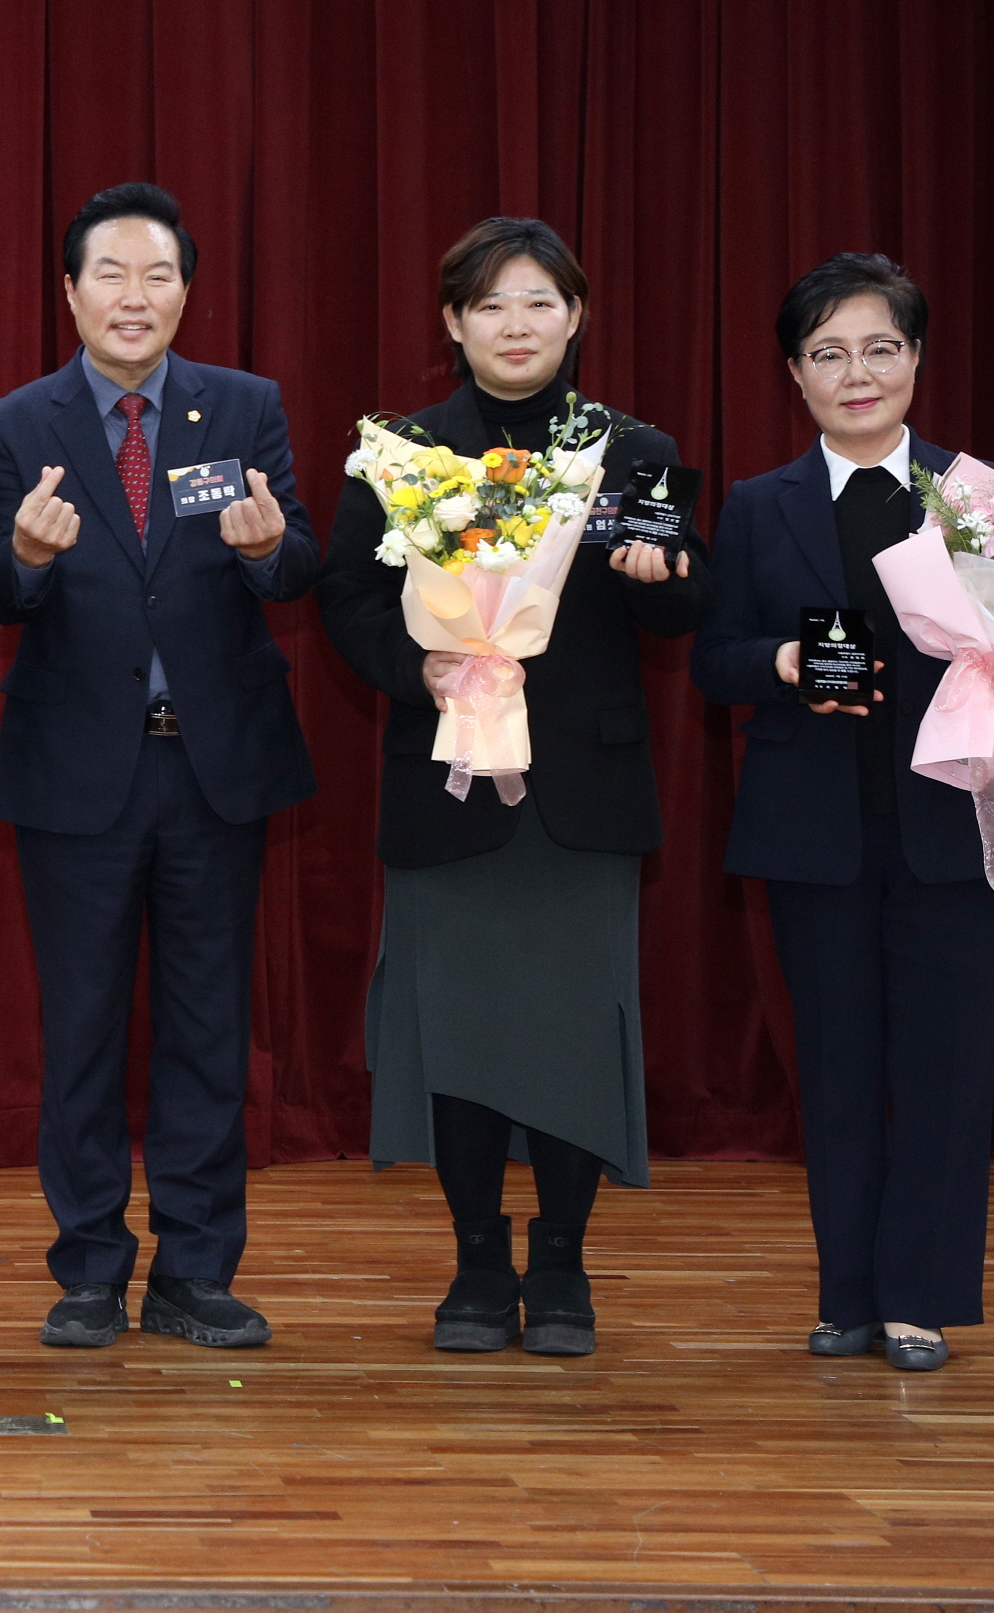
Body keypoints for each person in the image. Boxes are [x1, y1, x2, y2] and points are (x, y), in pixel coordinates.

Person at [315, 218, 708, 1357]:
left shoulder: (633, 449)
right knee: (466, 1034)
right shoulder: (400, 450)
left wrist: (659, 571)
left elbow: (684, 605)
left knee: (575, 1032)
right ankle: (479, 1259)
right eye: (492, 304)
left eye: (539, 301)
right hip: (446, 779)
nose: (517, 324)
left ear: (575, 314)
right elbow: (343, 597)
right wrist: (418, 662)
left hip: (578, 789)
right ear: (454, 322)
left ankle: (565, 1260)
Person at [690, 254, 994, 1373]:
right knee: (840, 1067)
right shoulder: (763, 505)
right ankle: (847, 1291)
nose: (857, 373)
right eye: (829, 353)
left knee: (946, 1070)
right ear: (795, 374)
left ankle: (922, 1297)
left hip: (956, 818)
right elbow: (713, 660)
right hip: (815, 826)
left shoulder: (983, 495)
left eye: (880, 348)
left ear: (915, 358)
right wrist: (782, 658)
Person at [0, 181, 318, 1351]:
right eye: (108, 274)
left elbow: (296, 556)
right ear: (69, 292)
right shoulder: (16, 422)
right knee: (80, 1029)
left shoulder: (245, 405)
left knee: (209, 1028)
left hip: (212, 769)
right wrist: (20, 557)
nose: (133, 296)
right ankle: (87, 1266)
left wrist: (274, 555)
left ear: (186, 291)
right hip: (77, 775)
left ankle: (197, 1267)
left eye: (156, 274)